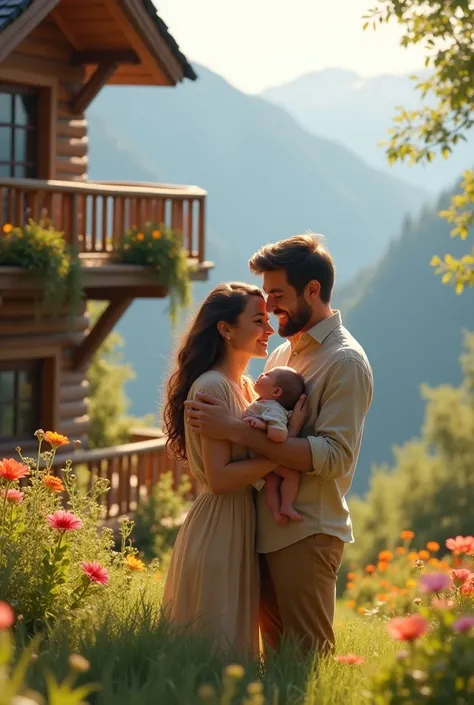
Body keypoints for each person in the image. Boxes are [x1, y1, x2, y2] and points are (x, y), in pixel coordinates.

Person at [185, 234, 374, 656]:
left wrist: (233, 430)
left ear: (313, 290)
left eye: (277, 294)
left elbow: (333, 457)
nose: (269, 307)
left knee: (307, 662)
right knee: (275, 667)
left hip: (307, 531)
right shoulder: (281, 356)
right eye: (266, 296)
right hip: (262, 532)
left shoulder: (345, 361)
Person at [161, 281, 306, 657]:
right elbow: (221, 478)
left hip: (237, 526)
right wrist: (285, 455)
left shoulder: (243, 385)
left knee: (231, 657)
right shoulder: (212, 387)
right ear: (225, 329)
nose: (269, 330)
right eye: (258, 321)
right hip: (219, 529)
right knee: (215, 654)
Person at [243, 367, 306, 524]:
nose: (262, 373)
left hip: (260, 453)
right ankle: (285, 505)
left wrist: (263, 426)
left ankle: (279, 511)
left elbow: (279, 434)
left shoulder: (273, 409)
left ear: (276, 392)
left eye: (268, 375)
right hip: (263, 454)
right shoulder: (265, 405)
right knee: (291, 475)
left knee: (272, 482)